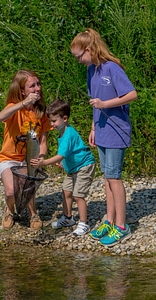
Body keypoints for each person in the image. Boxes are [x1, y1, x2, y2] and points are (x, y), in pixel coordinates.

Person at [71, 28, 137, 246]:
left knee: (115, 177)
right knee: (107, 177)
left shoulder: (112, 68)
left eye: (80, 56)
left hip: (117, 130)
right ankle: (109, 221)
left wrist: (105, 104)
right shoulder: (91, 70)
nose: (79, 61)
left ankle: (121, 226)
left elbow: (131, 95)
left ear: (89, 50)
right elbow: (94, 102)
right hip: (101, 131)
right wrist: (93, 128)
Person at [31, 99, 95, 236]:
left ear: (64, 118)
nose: (51, 124)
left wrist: (43, 162)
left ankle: (84, 223)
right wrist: (64, 163)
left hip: (84, 166)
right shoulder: (63, 132)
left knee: (78, 195)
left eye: (54, 121)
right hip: (73, 168)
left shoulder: (68, 135)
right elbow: (68, 154)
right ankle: (68, 218)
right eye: (50, 121)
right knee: (66, 191)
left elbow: (61, 155)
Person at [0, 69, 51, 230]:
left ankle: (33, 213)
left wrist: (40, 157)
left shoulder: (42, 112)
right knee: (11, 192)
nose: (37, 89)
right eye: (32, 86)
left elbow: (43, 141)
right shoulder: (14, 107)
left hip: (29, 157)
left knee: (28, 185)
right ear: (22, 91)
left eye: (38, 84)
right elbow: (1, 117)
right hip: (9, 157)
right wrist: (23, 103)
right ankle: (9, 210)